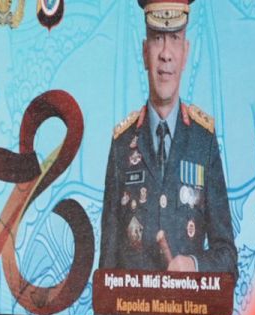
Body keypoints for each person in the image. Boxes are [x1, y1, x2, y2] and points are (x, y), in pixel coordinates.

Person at [98, 0, 237, 277]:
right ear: (144, 51)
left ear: (185, 53)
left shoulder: (203, 142)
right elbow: (107, 270)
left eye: (174, 39)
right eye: (157, 39)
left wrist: (193, 265)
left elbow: (228, 260)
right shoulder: (122, 144)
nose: (165, 54)